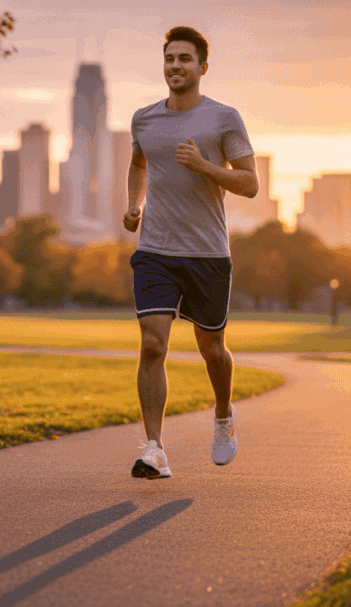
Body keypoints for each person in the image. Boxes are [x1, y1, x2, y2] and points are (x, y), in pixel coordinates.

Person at [125, 26, 259, 479]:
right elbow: (138, 162)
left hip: (206, 253)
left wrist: (203, 165)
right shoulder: (144, 119)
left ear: (203, 67)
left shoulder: (223, 118)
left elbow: (250, 184)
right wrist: (134, 205)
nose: (175, 66)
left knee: (212, 350)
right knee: (151, 344)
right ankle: (154, 449)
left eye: (185, 59)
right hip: (156, 250)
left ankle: (223, 415)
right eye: (169, 58)